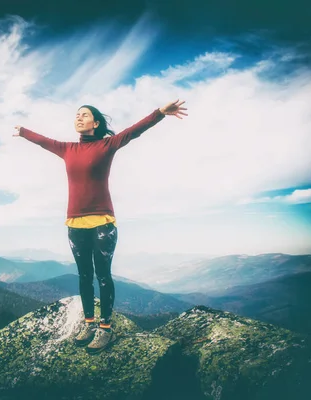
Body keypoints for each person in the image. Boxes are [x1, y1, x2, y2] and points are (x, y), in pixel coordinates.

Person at [13, 100, 188, 353]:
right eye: (76, 115)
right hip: (75, 222)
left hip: (103, 222)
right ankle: (88, 323)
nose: (79, 118)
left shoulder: (107, 144)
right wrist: (23, 131)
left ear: (95, 123)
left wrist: (160, 113)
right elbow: (44, 141)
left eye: (84, 115)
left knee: (103, 275)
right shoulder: (67, 149)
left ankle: (105, 328)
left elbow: (134, 131)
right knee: (84, 276)